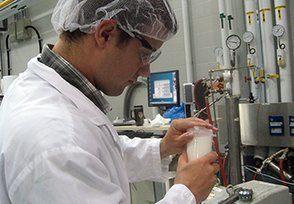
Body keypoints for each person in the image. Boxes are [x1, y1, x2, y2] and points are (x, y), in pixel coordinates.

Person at [0, 0, 219, 203]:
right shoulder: (57, 142)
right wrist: (185, 194)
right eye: (145, 54)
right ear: (105, 34)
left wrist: (163, 147)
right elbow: (75, 152)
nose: (146, 71)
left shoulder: (38, 87)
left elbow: (96, 155)